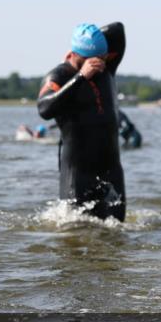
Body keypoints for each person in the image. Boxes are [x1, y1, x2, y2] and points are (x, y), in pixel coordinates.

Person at [37, 22, 127, 221]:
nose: (99, 63)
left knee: (118, 229)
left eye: (101, 57)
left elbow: (118, 29)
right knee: (76, 231)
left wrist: (92, 37)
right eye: (92, 59)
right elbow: (44, 108)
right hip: (78, 172)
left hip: (111, 168)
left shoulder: (107, 67)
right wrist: (80, 77)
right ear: (75, 55)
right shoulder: (59, 75)